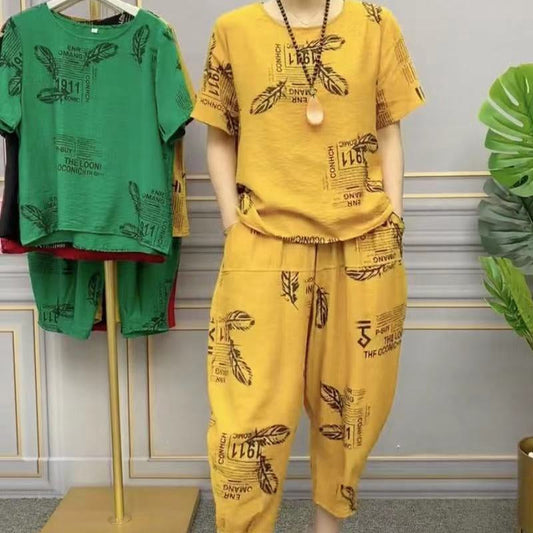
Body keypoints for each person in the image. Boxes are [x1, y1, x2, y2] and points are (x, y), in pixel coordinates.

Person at [192, 1, 425, 531]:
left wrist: (394, 218)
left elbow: (388, 129)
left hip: (363, 245)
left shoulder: (375, 24)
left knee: (352, 406)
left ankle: (328, 527)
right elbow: (220, 136)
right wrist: (232, 225)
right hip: (263, 242)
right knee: (245, 416)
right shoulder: (234, 30)